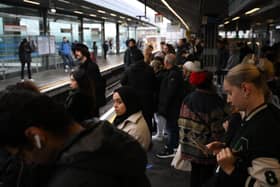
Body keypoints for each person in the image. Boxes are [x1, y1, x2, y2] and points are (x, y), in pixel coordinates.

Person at [0, 88, 151, 187]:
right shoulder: (112, 140)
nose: (26, 162)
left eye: (21, 155)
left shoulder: (71, 179)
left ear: (36, 137)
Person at [205, 63, 280, 187]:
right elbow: (248, 153)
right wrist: (226, 148)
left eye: (230, 93)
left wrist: (230, 168)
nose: (228, 100)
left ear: (245, 89)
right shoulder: (251, 115)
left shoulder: (266, 129)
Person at [178, 70, 227, 187]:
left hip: (189, 145)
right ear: (211, 83)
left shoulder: (188, 98)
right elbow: (217, 131)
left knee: (195, 174)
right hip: (206, 149)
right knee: (206, 178)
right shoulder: (215, 101)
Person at [156, 54, 185, 158]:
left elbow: (169, 93)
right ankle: (173, 146)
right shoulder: (174, 72)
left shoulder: (173, 74)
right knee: (172, 127)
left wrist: (163, 107)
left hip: (172, 106)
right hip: (173, 106)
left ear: (166, 62)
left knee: (171, 127)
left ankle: (171, 149)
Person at [121, 52, 157, 135]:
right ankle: (148, 140)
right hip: (148, 100)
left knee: (135, 120)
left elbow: (122, 82)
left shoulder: (129, 69)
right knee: (148, 120)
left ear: (134, 60)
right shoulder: (149, 68)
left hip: (134, 101)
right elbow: (154, 84)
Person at [113, 86, 151, 151]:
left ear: (129, 102)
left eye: (119, 102)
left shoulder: (133, 131)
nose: (115, 105)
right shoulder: (134, 115)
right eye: (114, 101)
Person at [74, 43, 106, 114]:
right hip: (84, 101)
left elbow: (96, 85)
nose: (76, 53)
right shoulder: (80, 67)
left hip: (91, 103)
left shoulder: (92, 66)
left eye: (78, 51)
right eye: (75, 51)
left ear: (84, 52)